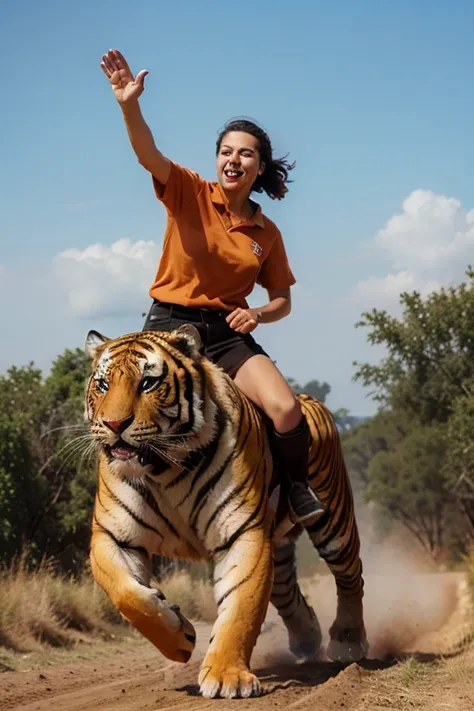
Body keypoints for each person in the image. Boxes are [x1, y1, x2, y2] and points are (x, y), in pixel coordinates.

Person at [100, 49, 323, 527]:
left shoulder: (268, 234)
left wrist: (258, 315)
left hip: (226, 333)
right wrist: (128, 105)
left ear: (259, 167)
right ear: (217, 159)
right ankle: (125, 515)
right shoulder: (189, 190)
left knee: (285, 410)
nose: (233, 159)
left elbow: (283, 300)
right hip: (168, 327)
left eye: (245, 153)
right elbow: (147, 154)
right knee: (127, 409)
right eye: (226, 151)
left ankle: (295, 492)